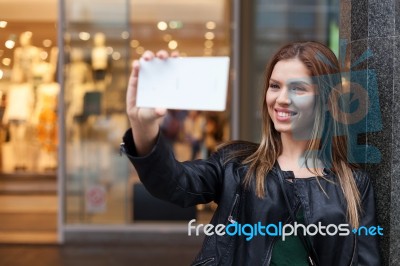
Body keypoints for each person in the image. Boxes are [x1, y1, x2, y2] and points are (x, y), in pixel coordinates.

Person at [121, 42, 380, 265]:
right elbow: (174, 184)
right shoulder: (237, 165)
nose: (281, 99)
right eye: (275, 86)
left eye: (298, 89)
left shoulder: (353, 185)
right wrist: (144, 128)